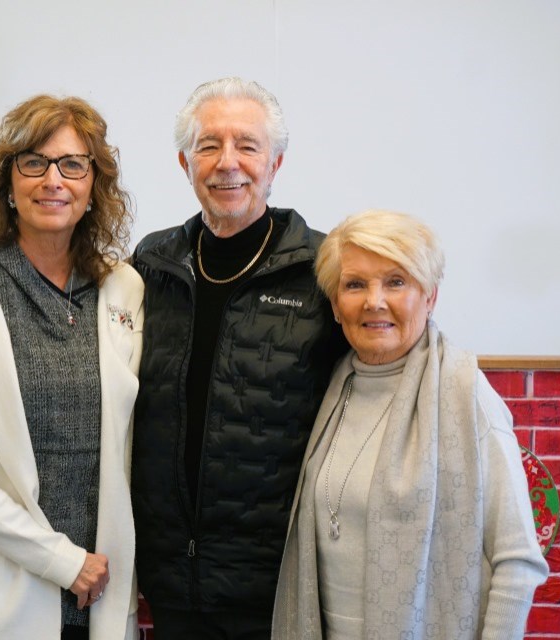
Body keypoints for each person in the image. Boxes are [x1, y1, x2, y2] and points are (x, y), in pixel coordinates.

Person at [0, 95, 144, 640]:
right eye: (33, 162)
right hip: (0, 591)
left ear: (93, 186)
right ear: (7, 183)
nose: (52, 180)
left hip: (102, 588)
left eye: (72, 164)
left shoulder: (123, 290)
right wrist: (62, 561)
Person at [130, 77, 349, 639]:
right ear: (185, 162)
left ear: (276, 162)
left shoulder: (323, 267)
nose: (228, 162)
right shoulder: (152, 262)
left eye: (247, 145)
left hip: (279, 582)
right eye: (209, 145)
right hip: (169, 578)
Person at [272, 209, 549, 639]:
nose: (374, 301)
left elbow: (518, 560)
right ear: (335, 304)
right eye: (355, 284)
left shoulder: (463, 392)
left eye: (396, 282)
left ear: (430, 296)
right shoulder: (334, 385)